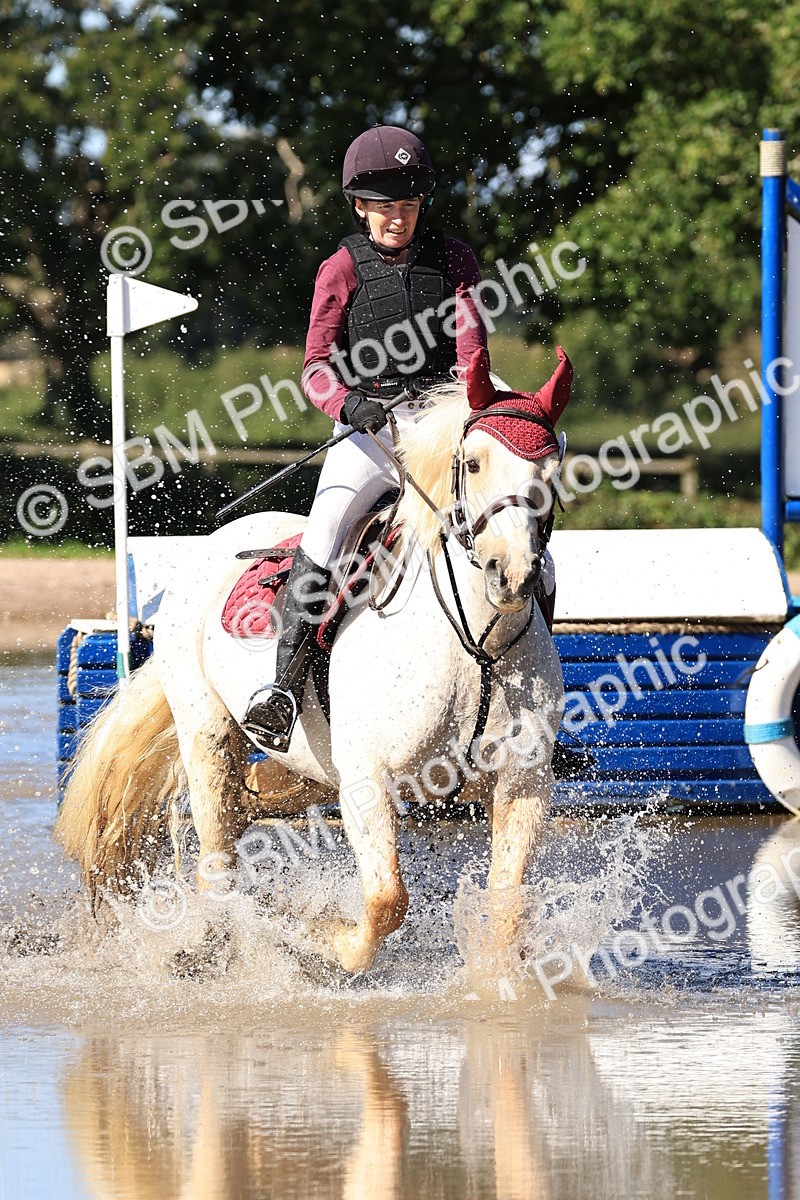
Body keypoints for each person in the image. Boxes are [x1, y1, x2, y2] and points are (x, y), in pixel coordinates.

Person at [242, 124, 489, 752]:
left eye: (406, 207)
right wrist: (353, 405)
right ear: (359, 205)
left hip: (442, 421)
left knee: (509, 515)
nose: (396, 220)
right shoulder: (341, 268)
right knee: (325, 533)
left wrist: (473, 409)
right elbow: (315, 366)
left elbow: (471, 350)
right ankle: (282, 689)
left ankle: (523, 691)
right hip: (369, 432)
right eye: (383, 208)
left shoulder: (455, 259)